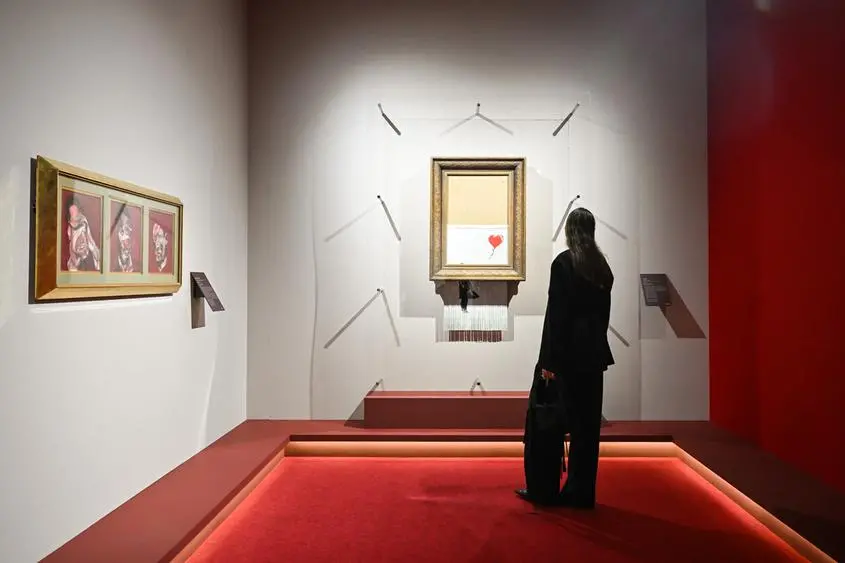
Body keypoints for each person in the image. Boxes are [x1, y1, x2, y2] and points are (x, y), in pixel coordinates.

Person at [516, 207, 614, 508]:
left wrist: (548, 363)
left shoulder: (564, 263)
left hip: (566, 358)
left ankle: (544, 489)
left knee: (550, 424)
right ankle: (581, 492)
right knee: (587, 429)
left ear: (570, 231)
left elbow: (556, 318)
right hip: (593, 358)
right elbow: (603, 318)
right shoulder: (602, 267)